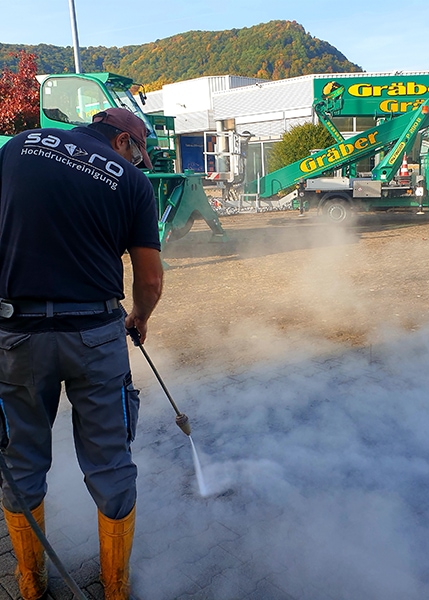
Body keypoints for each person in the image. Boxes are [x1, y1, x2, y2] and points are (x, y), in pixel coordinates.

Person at [0, 108, 163, 600]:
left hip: (16, 335)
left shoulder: (18, 146)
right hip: (96, 334)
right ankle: (115, 587)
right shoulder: (132, 182)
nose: (140, 161)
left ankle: (30, 584)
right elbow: (150, 280)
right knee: (111, 464)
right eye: (139, 152)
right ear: (122, 143)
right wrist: (140, 317)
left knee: (21, 462)